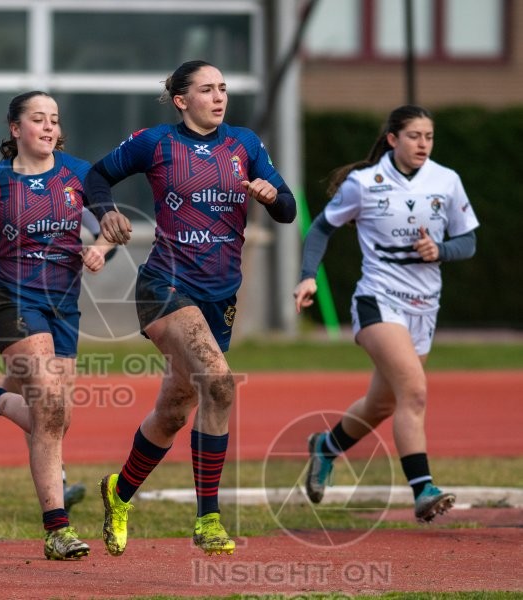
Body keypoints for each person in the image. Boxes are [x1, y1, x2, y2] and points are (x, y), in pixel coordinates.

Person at [86, 60, 296, 557]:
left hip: (219, 297)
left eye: (224, 87)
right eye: (207, 89)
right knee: (219, 383)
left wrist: (272, 196)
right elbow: (96, 177)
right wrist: (106, 211)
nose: (220, 96)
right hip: (165, 286)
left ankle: (118, 494)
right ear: (182, 100)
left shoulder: (244, 144)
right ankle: (208, 520)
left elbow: (287, 208)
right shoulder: (156, 143)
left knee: (174, 410)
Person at [0, 90, 122, 560]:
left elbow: (109, 222)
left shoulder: (81, 175)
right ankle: (57, 530)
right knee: (49, 407)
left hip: (65, 306)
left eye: (54, 120)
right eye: (37, 119)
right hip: (13, 299)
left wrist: (103, 244)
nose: (48, 127)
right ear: (15, 129)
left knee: (57, 419)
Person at [294, 104, 479, 523]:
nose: (423, 144)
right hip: (378, 300)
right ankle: (423, 488)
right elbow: (321, 227)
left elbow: (468, 242)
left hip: (424, 308)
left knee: (382, 403)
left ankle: (326, 447)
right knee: (414, 392)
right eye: (414, 136)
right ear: (393, 139)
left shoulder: (446, 180)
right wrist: (308, 276)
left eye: (429, 137)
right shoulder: (365, 183)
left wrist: (442, 250)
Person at [0, 194, 117, 510]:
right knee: (45, 394)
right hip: (14, 300)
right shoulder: (5, 180)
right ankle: (56, 486)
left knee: (32, 390)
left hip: (60, 302)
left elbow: (106, 230)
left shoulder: (72, 182)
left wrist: (97, 252)